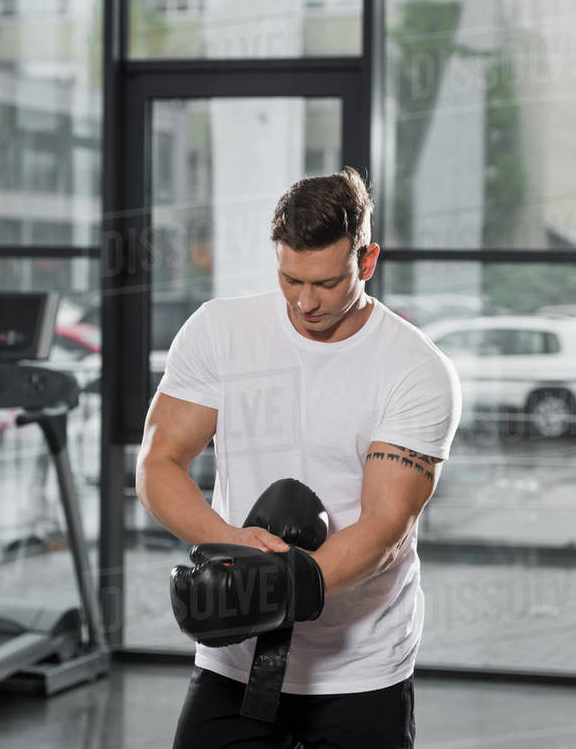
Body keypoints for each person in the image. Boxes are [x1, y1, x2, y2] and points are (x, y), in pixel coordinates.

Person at [136, 167, 462, 749]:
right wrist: (229, 543)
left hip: (359, 665)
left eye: (327, 284)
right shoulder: (220, 330)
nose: (306, 302)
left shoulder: (415, 369)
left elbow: (386, 525)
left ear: (367, 262)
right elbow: (159, 464)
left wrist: (274, 587)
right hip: (233, 660)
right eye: (290, 279)